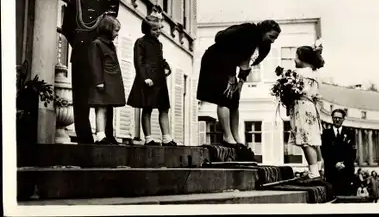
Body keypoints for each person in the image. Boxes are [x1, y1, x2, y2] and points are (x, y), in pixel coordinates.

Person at [197, 20, 281, 148]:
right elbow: (229, 53)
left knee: (234, 99)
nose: (273, 40)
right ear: (263, 31)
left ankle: (236, 136)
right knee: (224, 96)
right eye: (271, 36)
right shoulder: (247, 33)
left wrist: (240, 82)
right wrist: (231, 76)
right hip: (215, 60)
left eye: (275, 38)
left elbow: (246, 63)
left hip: (230, 63)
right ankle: (227, 136)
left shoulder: (264, 46)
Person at [61, 0, 120, 144]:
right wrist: (81, 48)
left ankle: (107, 135)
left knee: (107, 96)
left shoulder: (112, 3)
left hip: (104, 57)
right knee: (82, 97)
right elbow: (67, 28)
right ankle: (84, 137)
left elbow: (111, 28)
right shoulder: (78, 0)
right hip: (82, 55)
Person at [127, 12, 177, 146]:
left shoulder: (158, 44)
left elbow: (160, 59)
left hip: (160, 80)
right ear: (146, 29)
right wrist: (145, 77)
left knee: (164, 108)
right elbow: (138, 62)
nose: (158, 31)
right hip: (148, 80)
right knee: (147, 108)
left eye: (160, 28)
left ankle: (167, 138)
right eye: (155, 29)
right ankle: (148, 138)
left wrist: (167, 67)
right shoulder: (140, 42)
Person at [87, 16, 126, 144]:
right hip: (102, 83)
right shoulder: (96, 44)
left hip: (110, 84)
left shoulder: (110, 46)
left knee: (108, 108)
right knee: (101, 108)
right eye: (116, 30)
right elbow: (95, 63)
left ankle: (106, 135)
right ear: (108, 30)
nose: (117, 34)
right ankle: (100, 136)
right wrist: (98, 81)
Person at [289, 44, 325, 180]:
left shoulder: (299, 73)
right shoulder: (315, 73)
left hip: (302, 107)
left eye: (296, 57)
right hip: (311, 107)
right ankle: (318, 170)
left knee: (306, 141)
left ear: (302, 58)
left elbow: (293, 91)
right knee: (313, 140)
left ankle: (313, 173)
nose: (294, 60)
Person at [321, 108, 357, 195]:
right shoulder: (325, 133)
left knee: (346, 198)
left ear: (343, 119)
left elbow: (352, 153)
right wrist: (335, 164)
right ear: (332, 118)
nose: (337, 119)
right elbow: (324, 152)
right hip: (331, 171)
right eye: (335, 117)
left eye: (339, 118)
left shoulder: (350, 133)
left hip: (346, 171)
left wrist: (344, 164)